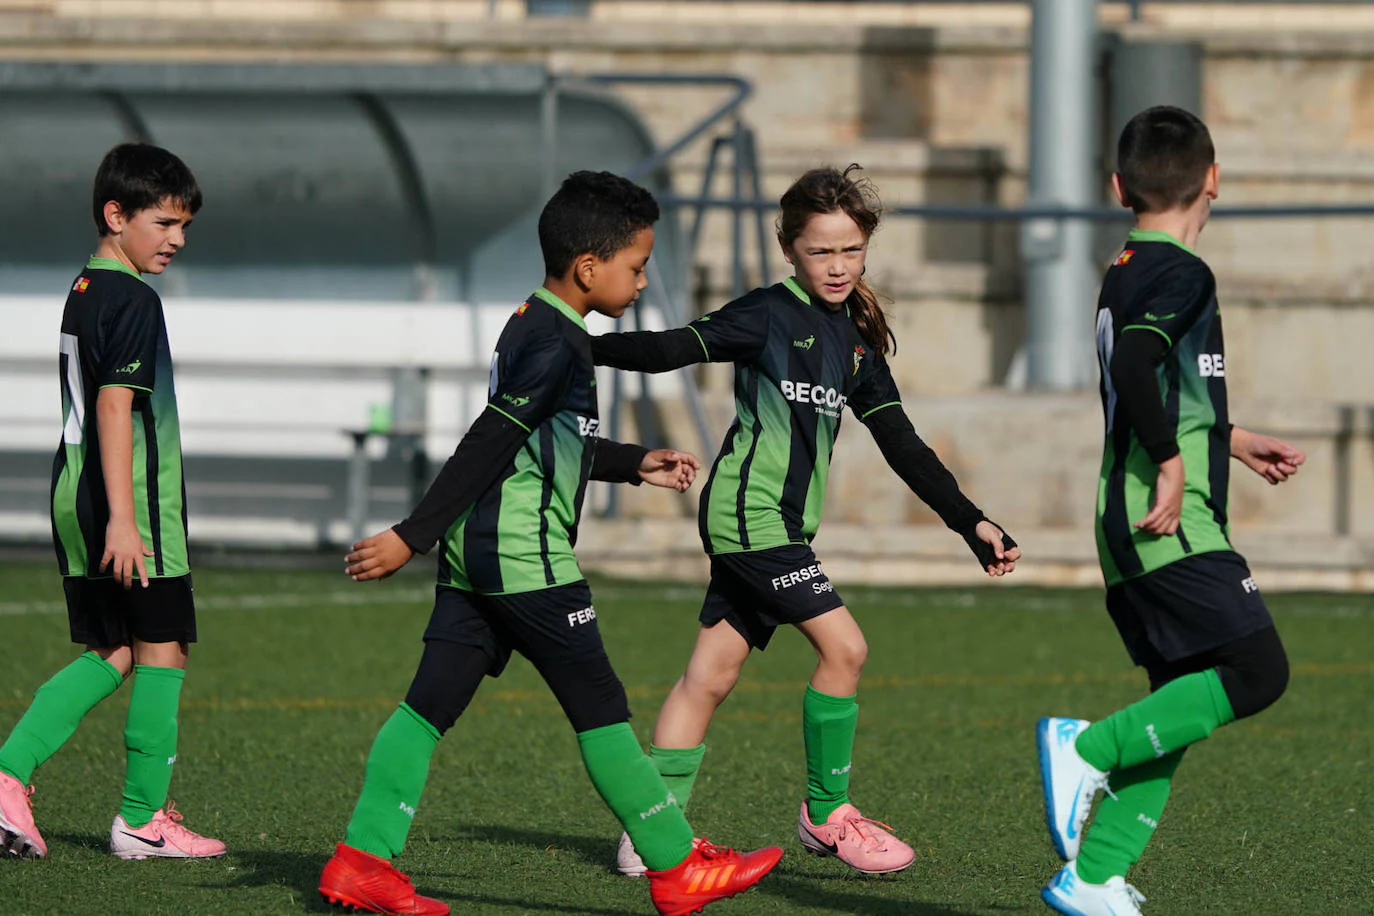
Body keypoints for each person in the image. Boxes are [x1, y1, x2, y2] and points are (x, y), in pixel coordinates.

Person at [317, 171, 783, 916]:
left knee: (427, 705)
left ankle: (361, 861)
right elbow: (494, 437)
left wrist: (634, 462)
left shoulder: (537, 326)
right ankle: (674, 865)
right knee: (600, 705)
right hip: (525, 558)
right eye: (635, 267)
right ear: (589, 267)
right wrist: (412, 534)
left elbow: (547, 445)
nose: (640, 282)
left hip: (482, 557)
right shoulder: (558, 343)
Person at [591, 164, 1021, 878]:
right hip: (746, 517)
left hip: (782, 527)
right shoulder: (765, 313)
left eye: (851, 250)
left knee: (711, 675)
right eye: (821, 251)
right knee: (845, 649)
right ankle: (826, 815)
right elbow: (672, 350)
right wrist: (580, 345)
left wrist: (970, 522)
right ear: (789, 248)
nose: (838, 266)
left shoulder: (854, 340)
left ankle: (649, 831)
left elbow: (903, 445)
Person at [1036, 106, 1305, 916]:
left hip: (1131, 512)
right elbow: (1138, 356)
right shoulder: (1185, 272)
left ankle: (1093, 877)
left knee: (1180, 703)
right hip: (1164, 516)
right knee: (1258, 673)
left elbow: (1155, 383)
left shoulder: (1126, 266)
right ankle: (1083, 748)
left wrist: (1230, 437)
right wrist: (1175, 461)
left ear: (1118, 186)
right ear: (1214, 178)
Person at [0, 143, 225, 862]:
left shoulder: (87, 288)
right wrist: (128, 520)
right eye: (163, 223)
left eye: (183, 226)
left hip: (76, 492)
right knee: (164, 648)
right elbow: (115, 407)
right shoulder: (132, 298)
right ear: (115, 214)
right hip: (131, 506)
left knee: (116, 648)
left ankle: (8, 775)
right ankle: (142, 818)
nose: (176, 240)